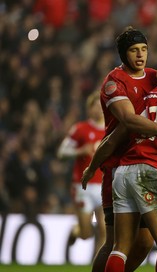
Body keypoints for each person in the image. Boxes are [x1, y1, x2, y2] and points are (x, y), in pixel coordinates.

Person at [81, 27, 157, 272]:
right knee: (116, 242)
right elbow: (128, 121)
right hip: (118, 165)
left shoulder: (155, 78)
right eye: (134, 50)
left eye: (144, 49)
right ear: (123, 54)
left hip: (139, 165)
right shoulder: (114, 83)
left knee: (144, 242)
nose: (140, 55)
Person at [57, 91, 106, 255]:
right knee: (86, 234)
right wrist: (79, 151)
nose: (99, 110)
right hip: (82, 187)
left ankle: (98, 267)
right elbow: (62, 152)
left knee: (104, 230)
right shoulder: (80, 129)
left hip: (105, 186)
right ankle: (76, 231)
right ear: (89, 109)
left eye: (101, 106)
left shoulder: (111, 130)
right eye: (95, 106)